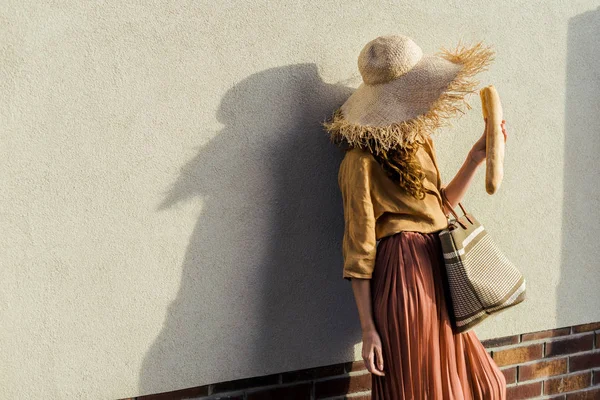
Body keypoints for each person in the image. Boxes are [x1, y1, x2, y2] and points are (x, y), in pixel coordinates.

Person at [323, 35, 508, 399]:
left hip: (440, 266)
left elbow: (438, 208)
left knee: (486, 384)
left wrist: (475, 159)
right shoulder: (358, 163)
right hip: (404, 274)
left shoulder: (421, 143)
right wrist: (369, 330)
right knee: (423, 389)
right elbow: (359, 252)